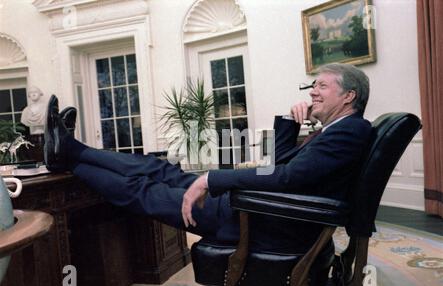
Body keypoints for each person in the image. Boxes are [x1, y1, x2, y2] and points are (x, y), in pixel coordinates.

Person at [44, 63, 373, 253]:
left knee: (141, 189)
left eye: (322, 87)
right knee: (158, 167)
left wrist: (210, 179)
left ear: (348, 96)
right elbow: (281, 167)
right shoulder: (338, 129)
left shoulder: (349, 131)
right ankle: (72, 150)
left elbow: (286, 178)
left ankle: (69, 159)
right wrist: (290, 123)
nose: (313, 92)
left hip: (257, 216)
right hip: (254, 203)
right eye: (312, 86)